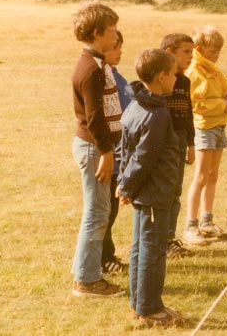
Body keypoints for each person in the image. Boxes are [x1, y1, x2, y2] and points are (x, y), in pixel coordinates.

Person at [117, 48, 185, 327]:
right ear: (160, 77)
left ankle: (140, 303)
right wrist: (126, 187)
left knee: (140, 247)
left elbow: (126, 151)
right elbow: (143, 157)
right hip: (155, 194)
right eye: (174, 74)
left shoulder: (136, 104)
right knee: (153, 251)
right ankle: (151, 309)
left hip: (145, 192)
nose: (176, 79)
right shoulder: (157, 115)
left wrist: (125, 184)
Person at [69, 2, 126, 298]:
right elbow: (94, 118)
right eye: (112, 31)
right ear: (96, 33)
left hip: (99, 147)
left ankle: (85, 272)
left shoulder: (99, 64)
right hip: (94, 148)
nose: (116, 36)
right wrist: (106, 152)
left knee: (98, 211)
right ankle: (87, 281)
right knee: (97, 212)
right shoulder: (91, 69)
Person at [183, 26, 227, 245]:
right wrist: (222, 104)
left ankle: (207, 221)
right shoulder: (193, 71)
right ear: (200, 49)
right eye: (213, 51)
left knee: (213, 175)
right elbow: (194, 104)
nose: (217, 55)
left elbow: (223, 90)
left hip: (218, 127)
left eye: (219, 51)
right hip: (204, 128)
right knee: (201, 176)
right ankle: (191, 225)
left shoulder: (213, 70)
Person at [161, 33, 197, 257]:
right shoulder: (161, 80)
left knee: (175, 191)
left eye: (192, 52)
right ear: (169, 53)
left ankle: (169, 239)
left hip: (180, 140)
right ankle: (160, 240)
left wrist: (191, 144)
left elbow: (188, 114)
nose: (190, 57)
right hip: (164, 142)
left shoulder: (184, 81)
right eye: (186, 52)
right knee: (164, 191)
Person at [101, 30, 134, 275]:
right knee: (104, 209)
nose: (119, 51)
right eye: (114, 47)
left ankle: (106, 254)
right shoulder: (104, 79)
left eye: (121, 46)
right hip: (108, 153)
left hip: (120, 153)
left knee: (111, 208)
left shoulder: (119, 78)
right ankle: (104, 258)